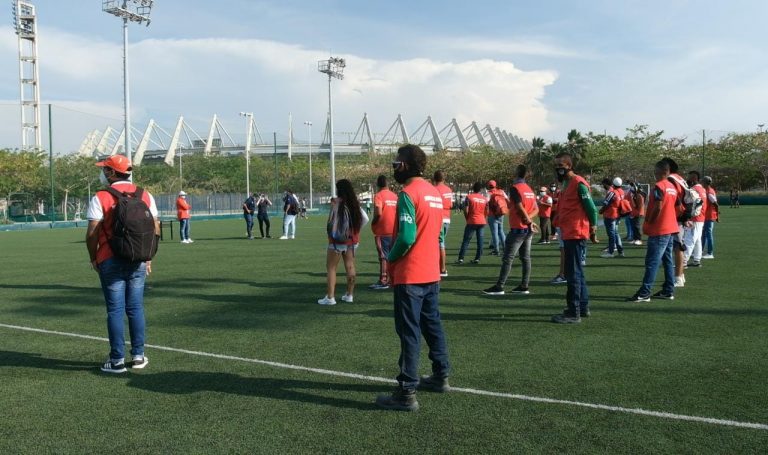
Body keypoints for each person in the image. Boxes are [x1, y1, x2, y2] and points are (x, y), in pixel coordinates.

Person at [375, 144, 450, 412]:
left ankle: (406, 392)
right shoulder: (434, 193)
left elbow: (406, 236)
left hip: (411, 274)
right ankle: (441, 376)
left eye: (396, 162)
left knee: (409, 332)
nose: (394, 166)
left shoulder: (407, 194)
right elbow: (440, 233)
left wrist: (390, 259)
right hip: (430, 272)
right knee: (432, 325)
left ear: (404, 165)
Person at [85, 155, 159, 373]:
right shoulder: (144, 194)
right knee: (135, 308)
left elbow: (92, 232)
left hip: (110, 259)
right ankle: (138, 356)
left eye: (104, 169)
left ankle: (116, 360)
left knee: (115, 310)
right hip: (138, 260)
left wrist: (93, 256)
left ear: (111, 173)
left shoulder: (101, 196)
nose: (102, 173)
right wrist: (148, 256)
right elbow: (155, 228)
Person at [550, 152, 599, 324]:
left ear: (569, 166)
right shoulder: (566, 183)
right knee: (577, 272)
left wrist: (593, 227)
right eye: (556, 166)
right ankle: (582, 307)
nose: (558, 169)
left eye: (561, 166)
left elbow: (591, 208)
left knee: (573, 273)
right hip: (569, 231)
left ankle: (573, 312)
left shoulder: (578, 183)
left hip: (576, 233)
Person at [627, 160, 679, 302]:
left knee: (652, 261)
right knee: (667, 260)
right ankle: (668, 290)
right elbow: (675, 207)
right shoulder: (672, 187)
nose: (654, 174)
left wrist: (649, 220)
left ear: (662, 171)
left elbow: (658, 206)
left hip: (660, 229)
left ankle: (645, 292)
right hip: (670, 228)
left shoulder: (659, 186)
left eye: (655, 171)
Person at [483, 165, 538, 296]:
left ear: (518, 173)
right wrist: (529, 219)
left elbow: (518, 206)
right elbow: (536, 209)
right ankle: (524, 286)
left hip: (518, 228)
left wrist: (527, 220)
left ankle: (500, 286)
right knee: (525, 258)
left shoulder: (515, 188)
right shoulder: (529, 189)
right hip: (527, 229)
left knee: (508, 258)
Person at [318, 179, 369, 305]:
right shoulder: (355, 203)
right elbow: (365, 219)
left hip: (336, 241)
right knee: (350, 266)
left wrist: (330, 234)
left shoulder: (335, 202)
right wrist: (355, 230)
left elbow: (330, 222)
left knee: (331, 268)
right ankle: (349, 295)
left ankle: (330, 297)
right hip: (351, 241)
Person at [369, 175, 398, 290]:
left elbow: (379, 212)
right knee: (392, 256)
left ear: (378, 184)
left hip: (382, 230)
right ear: (388, 184)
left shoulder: (379, 195)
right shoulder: (394, 196)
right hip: (394, 230)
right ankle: (393, 279)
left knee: (383, 256)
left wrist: (374, 222)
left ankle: (383, 280)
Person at [456, 182, 488, 264]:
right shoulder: (484, 199)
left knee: (466, 240)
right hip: (481, 221)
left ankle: (461, 258)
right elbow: (487, 211)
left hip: (472, 221)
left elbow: (465, 210)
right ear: (480, 190)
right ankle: (477, 258)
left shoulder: (469, 197)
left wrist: (467, 218)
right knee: (480, 241)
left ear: (473, 188)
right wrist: (483, 218)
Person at [682, 171, 707, 268]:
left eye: (689, 177)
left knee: (689, 240)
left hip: (695, 217)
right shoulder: (702, 189)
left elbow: (688, 203)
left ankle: (683, 262)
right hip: (701, 217)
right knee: (697, 240)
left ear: (693, 178)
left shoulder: (693, 189)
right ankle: (697, 260)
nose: (687, 179)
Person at [433, 170, 454, 277]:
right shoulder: (449, 190)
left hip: (437, 219)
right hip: (447, 219)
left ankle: (441, 269)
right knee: (440, 242)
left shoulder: (434, 189)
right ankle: (441, 268)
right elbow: (450, 205)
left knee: (438, 243)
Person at [598, 177, 624, 258]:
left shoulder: (613, 193)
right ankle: (620, 251)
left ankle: (611, 252)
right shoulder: (621, 192)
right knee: (616, 233)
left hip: (610, 215)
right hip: (617, 215)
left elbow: (606, 203)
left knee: (611, 234)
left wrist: (601, 211)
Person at [486, 180, 507, 255]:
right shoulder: (501, 191)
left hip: (492, 215)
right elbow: (507, 199)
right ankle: (505, 248)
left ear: (489, 186)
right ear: (495, 185)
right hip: (501, 213)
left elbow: (486, 202)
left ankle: (496, 250)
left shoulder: (489, 193)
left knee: (494, 233)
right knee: (501, 231)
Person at [701, 176, 719, 259]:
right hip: (706, 216)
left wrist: (717, 215)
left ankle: (710, 253)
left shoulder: (709, 192)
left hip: (709, 216)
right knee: (704, 234)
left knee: (708, 234)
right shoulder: (707, 191)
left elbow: (715, 204)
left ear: (705, 182)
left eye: (702, 182)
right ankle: (700, 251)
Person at [628, 181, 646, 245]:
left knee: (636, 226)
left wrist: (631, 199)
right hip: (633, 213)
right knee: (633, 227)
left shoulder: (639, 196)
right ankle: (635, 239)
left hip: (638, 213)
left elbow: (638, 206)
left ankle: (639, 239)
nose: (631, 188)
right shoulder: (635, 195)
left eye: (633, 187)